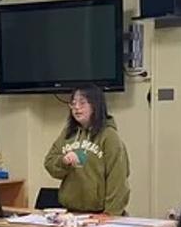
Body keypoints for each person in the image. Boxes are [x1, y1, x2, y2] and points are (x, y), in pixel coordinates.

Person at [43, 86, 130, 216]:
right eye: (73, 103)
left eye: (82, 103)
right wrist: (63, 161)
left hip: (101, 214)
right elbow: (49, 162)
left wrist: (110, 213)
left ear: (95, 105)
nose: (76, 107)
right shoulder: (68, 134)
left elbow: (118, 179)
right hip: (71, 213)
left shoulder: (109, 135)